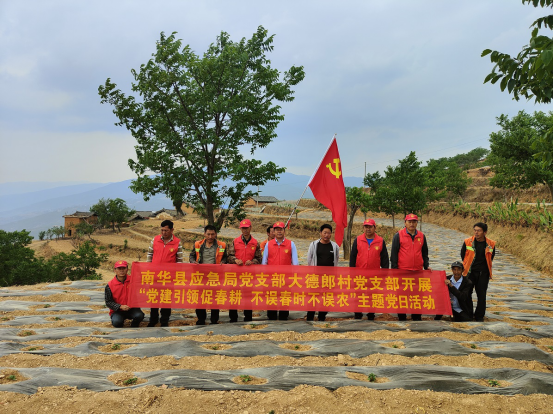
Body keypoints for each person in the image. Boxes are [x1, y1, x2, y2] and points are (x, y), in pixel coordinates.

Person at [391, 213, 430, 321]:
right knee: (402, 295)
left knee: (417, 295)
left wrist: (426, 265)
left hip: (417, 271)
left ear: (417, 223)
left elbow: (424, 253)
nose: (412, 224)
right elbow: (394, 254)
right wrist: (394, 270)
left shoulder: (421, 236)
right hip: (403, 271)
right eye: (409, 222)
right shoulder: (398, 235)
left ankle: (416, 316)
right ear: (405, 223)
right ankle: (402, 317)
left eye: (414, 222)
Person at [350, 219, 390, 321]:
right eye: (366, 227)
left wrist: (384, 273)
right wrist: (352, 271)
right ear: (363, 228)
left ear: (374, 228)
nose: (368, 229)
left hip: (374, 274)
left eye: (370, 227)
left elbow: (384, 259)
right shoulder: (358, 240)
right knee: (359, 295)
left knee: (372, 295)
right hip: (360, 274)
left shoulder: (380, 241)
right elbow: (353, 256)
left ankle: (371, 314)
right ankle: (358, 314)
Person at [146, 220, 184, 327]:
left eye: (166, 230)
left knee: (166, 299)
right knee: (154, 298)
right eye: (162, 230)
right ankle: (153, 320)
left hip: (168, 277)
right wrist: (147, 269)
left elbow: (179, 260)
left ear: (172, 230)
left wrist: (177, 275)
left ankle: (164, 320)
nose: (163, 233)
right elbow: (150, 255)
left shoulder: (177, 242)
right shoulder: (155, 240)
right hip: (155, 275)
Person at [190, 225, 228, 325]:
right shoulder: (198, 244)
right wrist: (193, 262)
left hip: (215, 276)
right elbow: (191, 256)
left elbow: (225, 257)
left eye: (212, 234)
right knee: (200, 298)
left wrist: (223, 262)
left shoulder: (222, 245)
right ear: (204, 234)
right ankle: (201, 319)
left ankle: (214, 320)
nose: (210, 237)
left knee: (214, 298)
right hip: (201, 276)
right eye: (208, 234)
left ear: (216, 234)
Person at [262, 221, 299, 321]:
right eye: (277, 230)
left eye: (281, 229)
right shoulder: (269, 244)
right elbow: (264, 262)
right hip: (272, 278)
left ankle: (283, 318)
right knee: (272, 299)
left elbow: (295, 263)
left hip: (285, 278)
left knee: (284, 299)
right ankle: (271, 318)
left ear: (284, 231)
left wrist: (294, 277)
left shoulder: (291, 244)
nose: (279, 232)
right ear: (273, 232)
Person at [227, 219, 262, 322]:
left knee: (248, 296)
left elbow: (259, 258)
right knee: (234, 295)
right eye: (243, 228)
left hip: (249, 275)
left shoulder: (255, 243)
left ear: (250, 228)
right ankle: (233, 318)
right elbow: (229, 256)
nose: (245, 230)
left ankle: (248, 318)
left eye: (246, 228)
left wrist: (252, 261)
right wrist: (235, 260)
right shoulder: (235, 241)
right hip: (235, 274)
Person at [461, 222, 496, 322]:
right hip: (470, 272)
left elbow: (491, 257)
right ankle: (468, 313)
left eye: (479, 231)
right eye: (475, 230)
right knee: (467, 293)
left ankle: (479, 316)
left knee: (481, 295)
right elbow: (463, 255)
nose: (476, 233)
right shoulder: (467, 242)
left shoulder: (491, 244)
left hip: (483, 273)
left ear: (485, 232)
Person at [306, 224, 340, 322]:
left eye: (329, 233)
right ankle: (310, 317)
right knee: (313, 297)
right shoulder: (314, 245)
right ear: (320, 233)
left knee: (326, 298)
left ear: (331, 234)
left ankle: (322, 317)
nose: (326, 235)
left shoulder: (335, 246)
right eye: (324, 233)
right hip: (315, 277)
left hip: (329, 278)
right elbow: (309, 259)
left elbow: (336, 259)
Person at [105, 261, 145, 328]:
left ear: (127, 269)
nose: (121, 270)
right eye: (119, 268)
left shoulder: (134, 281)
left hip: (132, 308)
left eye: (123, 268)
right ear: (115, 270)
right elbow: (108, 302)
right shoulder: (110, 285)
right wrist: (120, 306)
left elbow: (142, 291)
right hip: (117, 310)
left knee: (139, 316)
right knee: (117, 323)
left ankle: (134, 326)